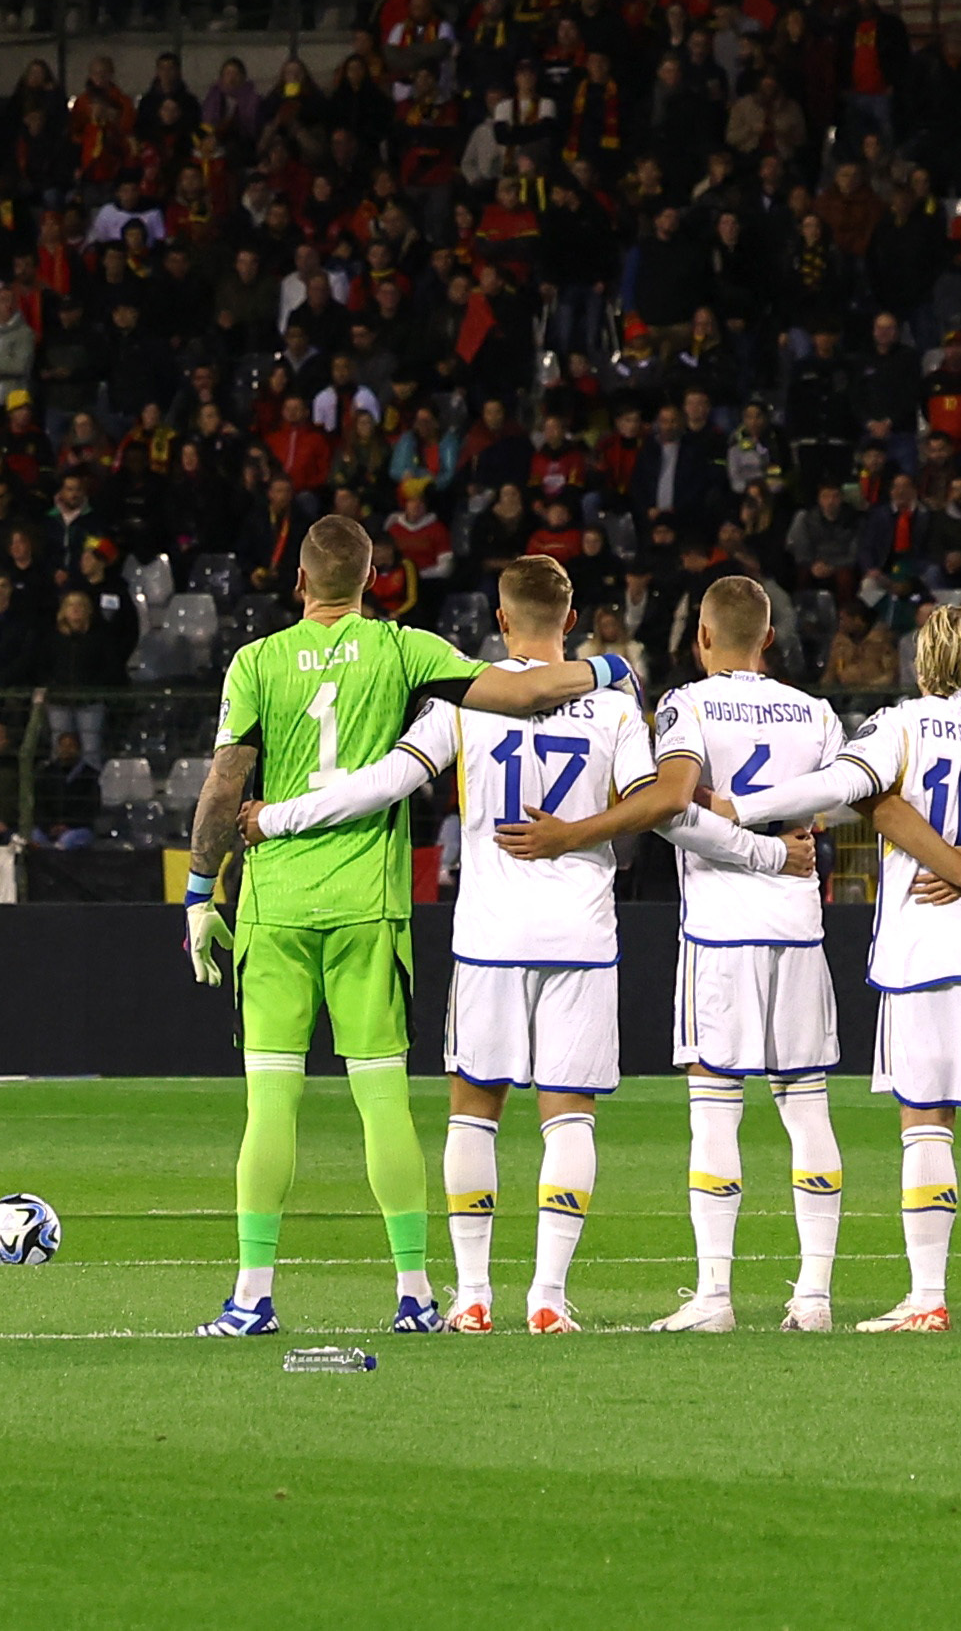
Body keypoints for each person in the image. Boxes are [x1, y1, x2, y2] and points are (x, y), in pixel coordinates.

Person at [249, 553, 751, 1332]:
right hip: (580, 935)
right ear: (572, 617)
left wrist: (275, 817)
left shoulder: (465, 702)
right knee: (569, 1116)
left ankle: (474, 1294)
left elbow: (382, 782)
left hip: (488, 936)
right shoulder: (614, 707)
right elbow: (656, 802)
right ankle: (547, 1296)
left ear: (500, 619)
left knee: (472, 1113)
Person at [181, 511, 624, 1338]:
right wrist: (604, 665)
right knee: (382, 1103)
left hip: (275, 906)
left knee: (270, 1107)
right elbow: (525, 689)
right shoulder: (402, 647)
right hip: (368, 908)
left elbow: (224, 782)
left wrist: (201, 891)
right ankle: (416, 1293)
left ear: (301, 582)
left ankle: (251, 1296)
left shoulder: (255, 660)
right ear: (373, 582)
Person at [716, 601, 961, 1332]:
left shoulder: (899, 725)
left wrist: (741, 806)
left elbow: (835, 789)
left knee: (926, 1122)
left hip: (924, 947)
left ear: (922, 661)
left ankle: (927, 1299)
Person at [640, 574, 851, 1332]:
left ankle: (715, 1298)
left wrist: (754, 852)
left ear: (701, 637)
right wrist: (797, 827)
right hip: (797, 928)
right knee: (806, 1108)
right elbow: (855, 792)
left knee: (715, 1113)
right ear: (768, 637)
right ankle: (815, 1296)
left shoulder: (685, 706)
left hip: (720, 930)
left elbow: (672, 813)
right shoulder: (814, 712)